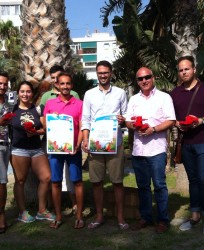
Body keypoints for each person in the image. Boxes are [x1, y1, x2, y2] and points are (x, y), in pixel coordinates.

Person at [125, 67, 175, 234]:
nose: (144, 81)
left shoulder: (164, 97)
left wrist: (152, 129)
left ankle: (162, 220)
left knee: (159, 185)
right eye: (140, 79)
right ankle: (146, 217)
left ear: (153, 77)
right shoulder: (133, 99)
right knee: (143, 186)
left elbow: (171, 120)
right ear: (137, 81)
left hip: (156, 150)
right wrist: (135, 125)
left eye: (147, 77)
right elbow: (127, 122)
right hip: (139, 150)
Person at [81, 60, 129, 230]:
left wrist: (123, 119)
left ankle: (121, 218)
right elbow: (85, 119)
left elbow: (126, 116)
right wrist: (85, 139)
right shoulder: (89, 94)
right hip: (96, 142)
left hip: (115, 142)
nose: (103, 75)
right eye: (100, 73)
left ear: (111, 73)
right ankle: (99, 215)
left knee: (117, 181)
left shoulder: (120, 93)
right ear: (97, 74)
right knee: (97, 181)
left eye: (106, 72)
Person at [171, 55, 204, 235]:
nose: (183, 72)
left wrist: (201, 120)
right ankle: (195, 215)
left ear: (194, 69)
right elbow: (171, 116)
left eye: (186, 69)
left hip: (203, 140)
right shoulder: (175, 93)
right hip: (186, 142)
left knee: (203, 179)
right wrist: (177, 124)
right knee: (193, 180)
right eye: (181, 70)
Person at [10, 81, 55, 223]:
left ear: (32, 93)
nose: (25, 94)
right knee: (20, 181)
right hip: (19, 149)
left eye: (28, 91)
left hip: (36, 149)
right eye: (22, 91)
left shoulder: (37, 109)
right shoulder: (12, 109)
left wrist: (35, 132)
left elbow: (44, 128)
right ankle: (22, 212)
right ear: (18, 93)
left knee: (46, 177)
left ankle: (42, 210)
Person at [43, 72, 84, 229]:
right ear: (57, 86)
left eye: (68, 84)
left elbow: (82, 126)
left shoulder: (79, 104)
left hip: (74, 149)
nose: (65, 86)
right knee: (55, 182)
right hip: (56, 149)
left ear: (71, 85)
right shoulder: (50, 104)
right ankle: (58, 216)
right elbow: (46, 126)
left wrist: (78, 145)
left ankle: (79, 216)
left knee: (77, 182)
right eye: (62, 84)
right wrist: (52, 119)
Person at [0, 72, 12, 233]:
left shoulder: (10, 101)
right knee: (2, 182)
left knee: (4, 182)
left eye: (4, 84)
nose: (2, 86)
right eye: (0, 83)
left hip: (10, 144)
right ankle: (1, 218)